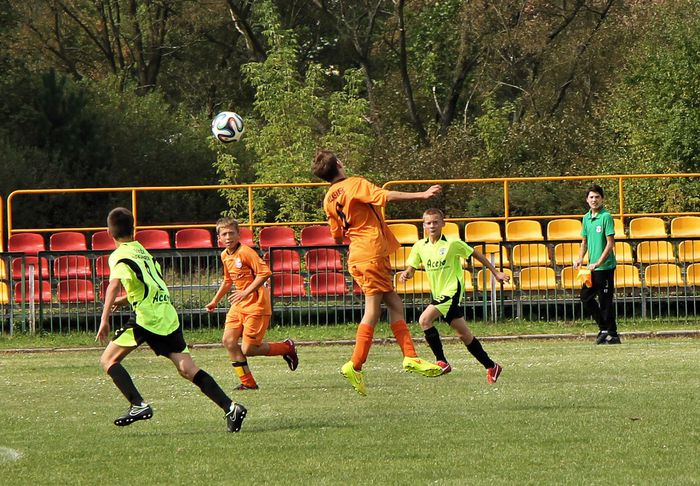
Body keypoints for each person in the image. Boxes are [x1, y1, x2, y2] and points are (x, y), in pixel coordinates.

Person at [96, 207, 247, 432]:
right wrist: (125, 301)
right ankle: (231, 407)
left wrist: (104, 318)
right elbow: (151, 285)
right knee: (187, 368)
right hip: (166, 314)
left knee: (108, 360)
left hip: (147, 318)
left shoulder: (118, 256)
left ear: (109, 232)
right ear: (134, 229)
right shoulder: (142, 251)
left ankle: (138, 405)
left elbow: (113, 285)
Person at [312, 150, 444, 396]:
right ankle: (355, 364)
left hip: (359, 253)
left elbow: (336, 235)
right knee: (372, 310)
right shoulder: (355, 183)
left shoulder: (328, 198)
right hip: (371, 252)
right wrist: (422, 194)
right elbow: (385, 196)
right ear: (339, 163)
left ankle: (410, 356)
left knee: (395, 304)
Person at [399, 208, 508, 383]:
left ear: (443, 223)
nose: (432, 225)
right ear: (423, 225)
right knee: (464, 335)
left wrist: (496, 273)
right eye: (429, 223)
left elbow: (476, 254)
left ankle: (441, 361)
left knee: (424, 320)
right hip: (438, 293)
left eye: (436, 222)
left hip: (452, 291)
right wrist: (406, 274)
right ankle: (491, 365)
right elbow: (411, 269)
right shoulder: (419, 246)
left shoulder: (452, 243)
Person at [205, 217, 298, 390]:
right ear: (219, 238)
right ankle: (248, 383)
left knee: (249, 349)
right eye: (224, 234)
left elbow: (265, 273)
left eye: (231, 233)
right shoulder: (224, 255)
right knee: (228, 341)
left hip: (257, 304)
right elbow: (228, 281)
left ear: (238, 234)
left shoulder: (246, 252)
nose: (228, 237)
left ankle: (286, 347)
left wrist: (245, 292)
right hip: (239, 306)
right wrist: (214, 301)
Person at [573, 184, 620, 344]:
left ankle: (612, 334)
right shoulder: (586, 218)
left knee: (605, 301)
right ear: (587, 200)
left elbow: (610, 243)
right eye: (591, 197)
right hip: (591, 268)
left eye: (597, 197)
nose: (594, 200)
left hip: (605, 267)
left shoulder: (606, 217)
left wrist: (599, 262)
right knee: (585, 297)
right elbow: (584, 242)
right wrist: (580, 258)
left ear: (602, 199)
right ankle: (605, 329)